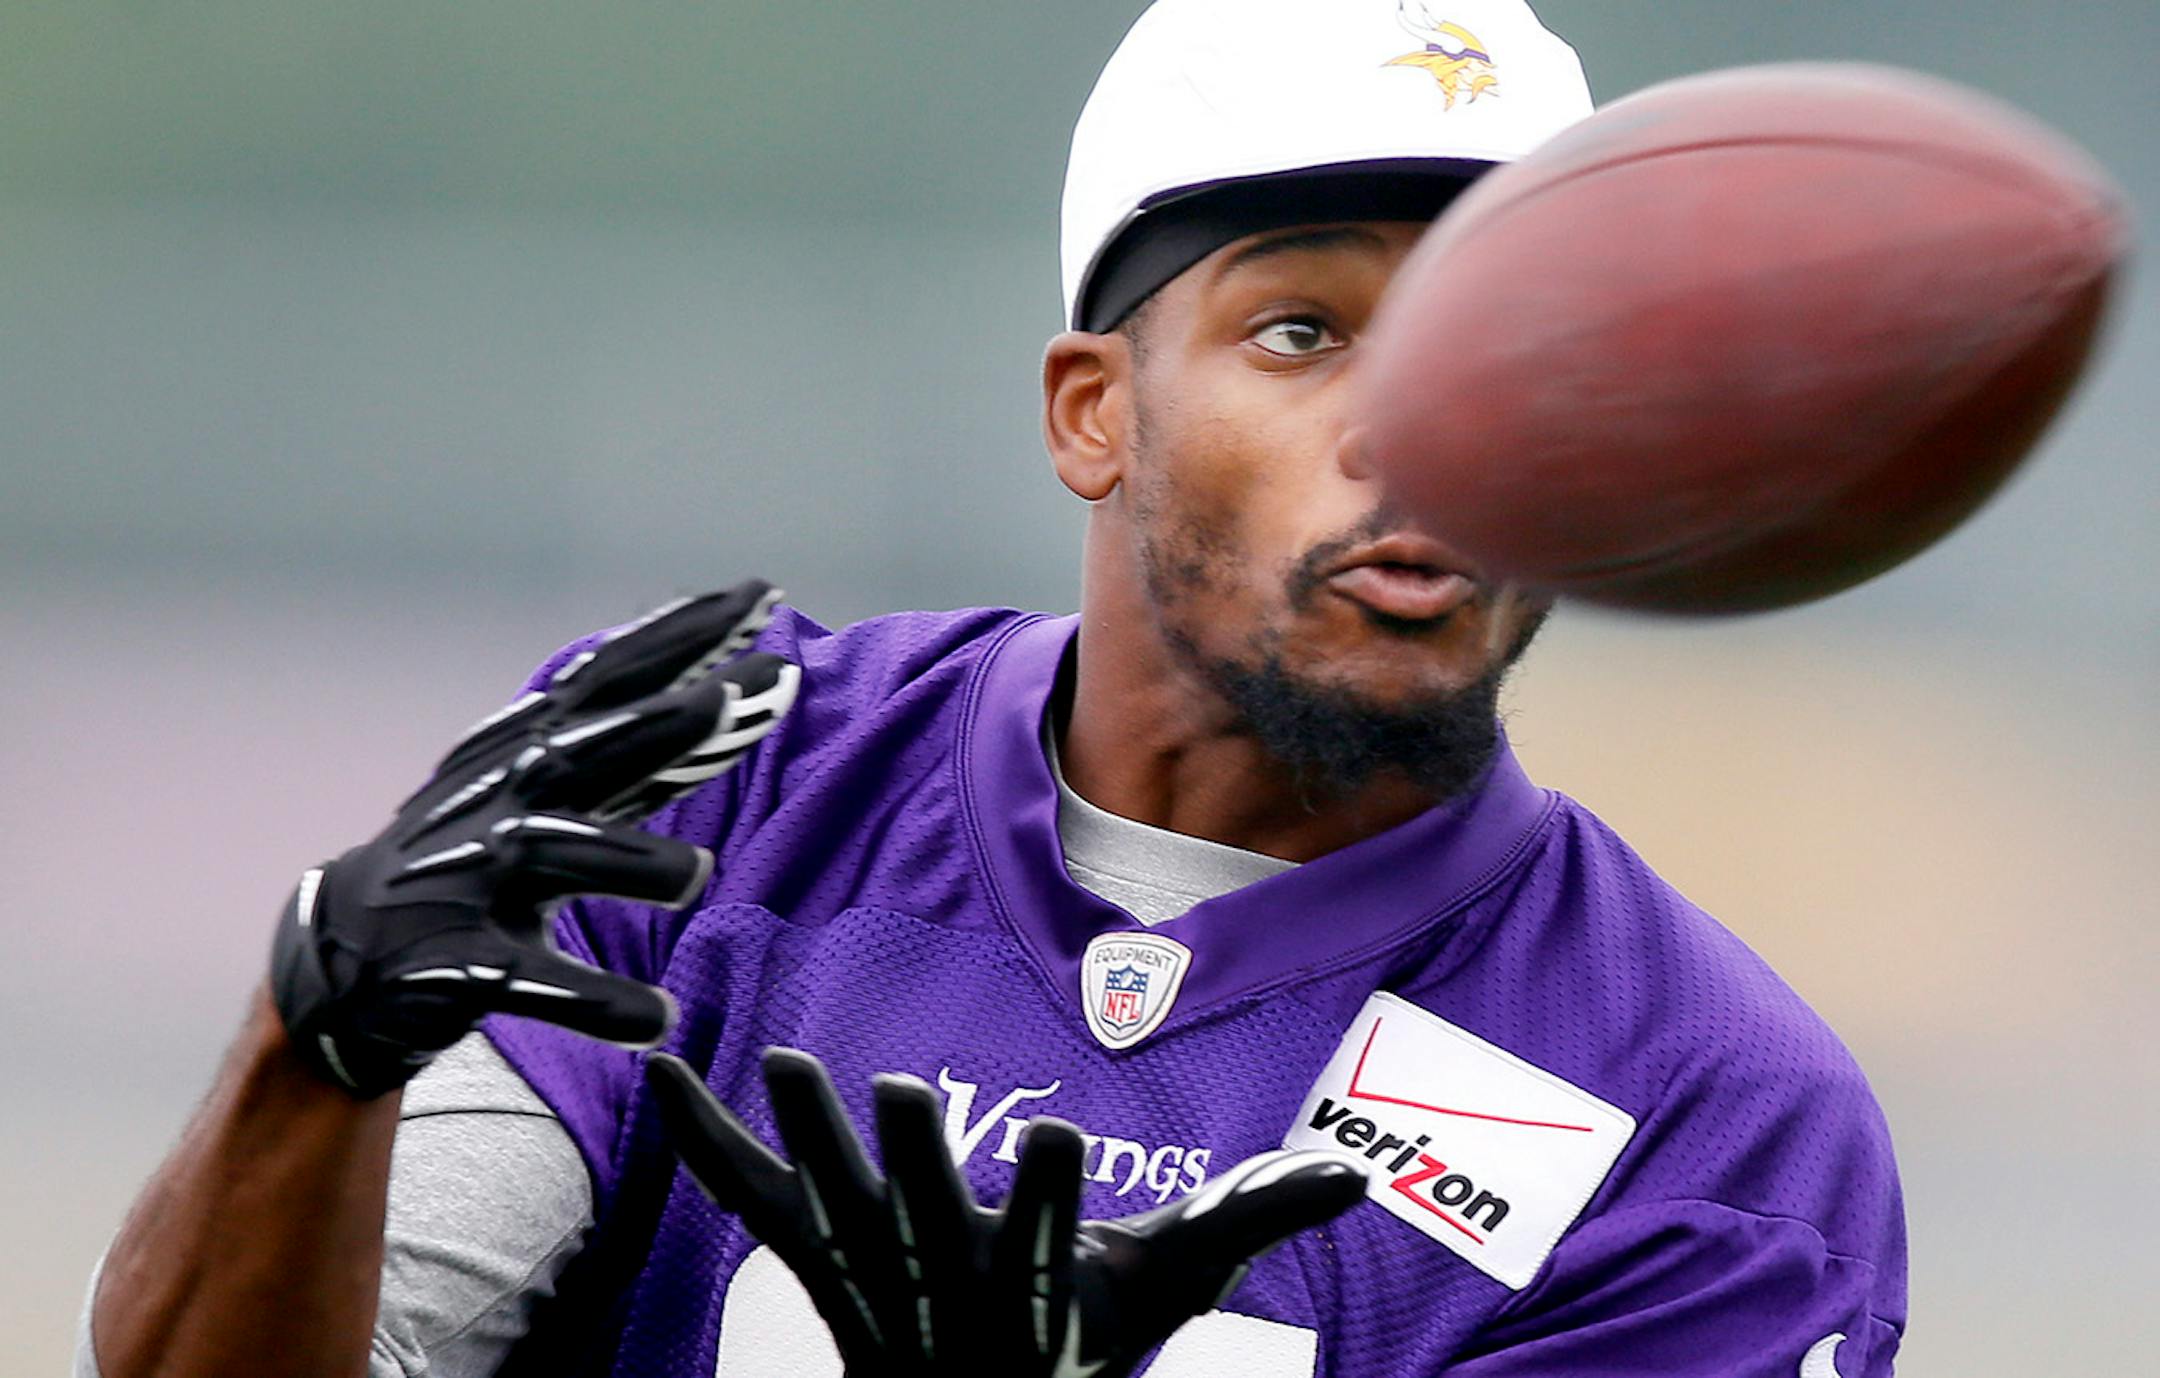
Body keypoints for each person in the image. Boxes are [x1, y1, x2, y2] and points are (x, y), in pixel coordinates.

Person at [77, 2, 1908, 1375]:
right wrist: (302, 1059)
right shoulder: (715, 789)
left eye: (1503, 347)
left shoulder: (1709, 1115)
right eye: (1304, 330)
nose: (1414, 426)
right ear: (1093, 411)